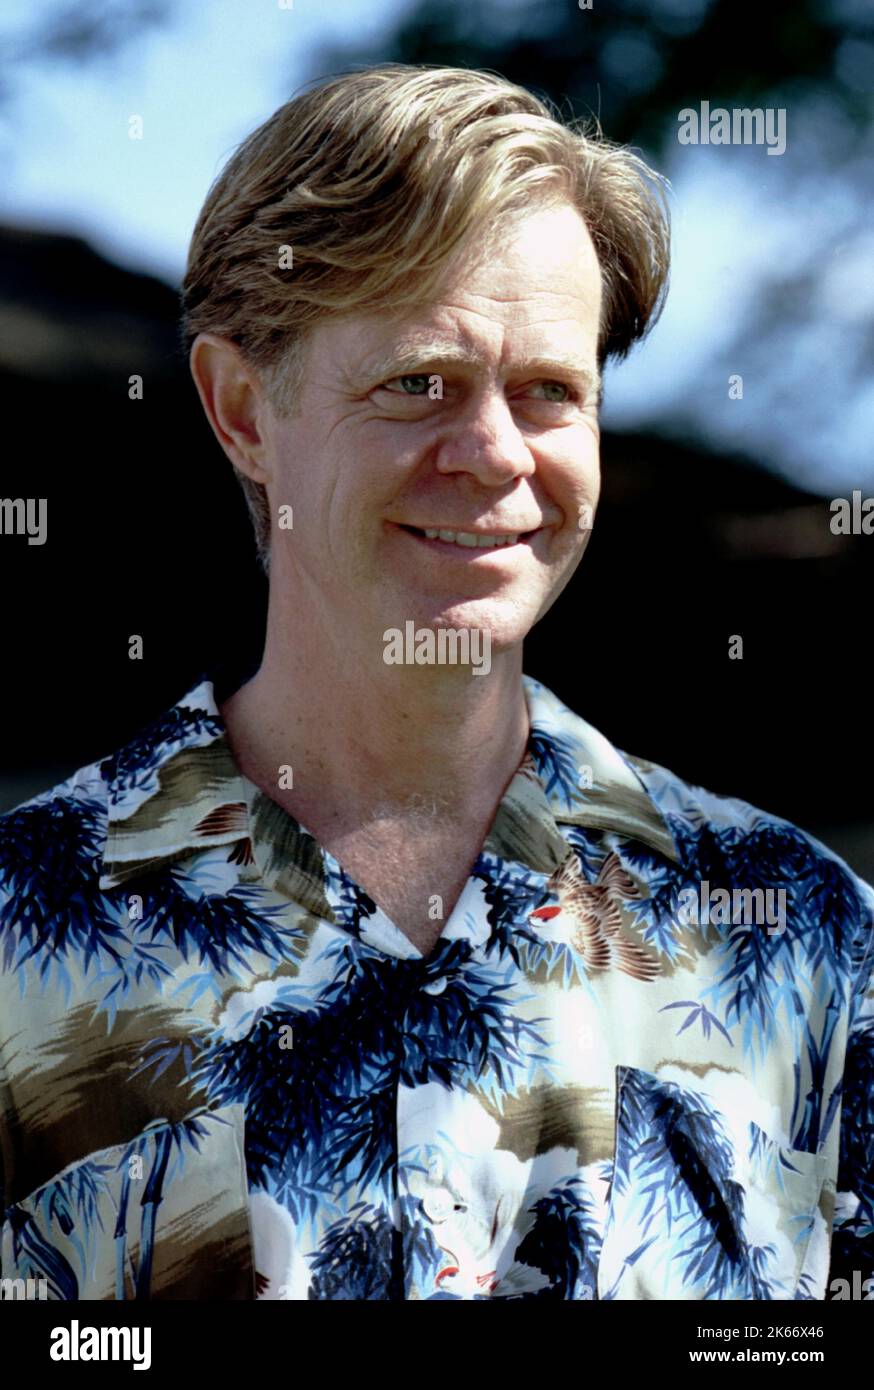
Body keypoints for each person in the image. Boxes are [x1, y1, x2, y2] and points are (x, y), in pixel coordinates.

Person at [0, 63, 871, 1302]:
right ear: (242, 410)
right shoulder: (18, 942)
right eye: (419, 382)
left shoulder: (811, 942)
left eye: (550, 391)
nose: (496, 453)